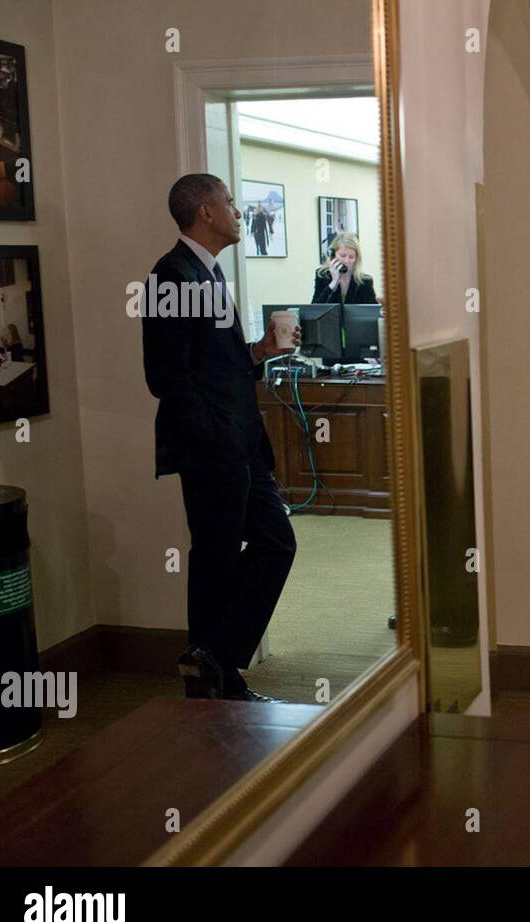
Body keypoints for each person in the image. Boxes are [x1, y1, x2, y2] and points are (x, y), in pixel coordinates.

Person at [141, 172, 302, 702]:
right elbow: (166, 377)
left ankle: (214, 660)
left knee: (274, 542)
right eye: (230, 203)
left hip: (242, 447)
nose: (238, 212)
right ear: (205, 213)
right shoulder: (172, 276)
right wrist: (215, 438)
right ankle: (215, 682)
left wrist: (257, 353)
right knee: (214, 557)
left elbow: (214, 367)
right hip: (212, 450)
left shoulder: (208, 274)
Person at [312, 232, 377, 305]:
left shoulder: (365, 281)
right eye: (343, 255)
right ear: (333, 255)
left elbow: (372, 312)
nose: (347, 261)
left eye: (351, 257)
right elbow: (315, 311)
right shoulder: (322, 276)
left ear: (357, 259)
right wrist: (333, 283)